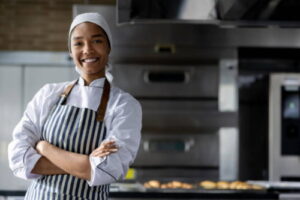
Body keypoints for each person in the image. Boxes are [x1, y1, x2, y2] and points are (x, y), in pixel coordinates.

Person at [8, 12, 142, 200]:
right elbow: (18, 158)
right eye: (78, 43)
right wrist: (86, 163)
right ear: (70, 51)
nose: (87, 50)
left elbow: (108, 170)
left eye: (96, 41)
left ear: (108, 46)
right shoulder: (49, 94)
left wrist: (44, 147)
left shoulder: (124, 105)